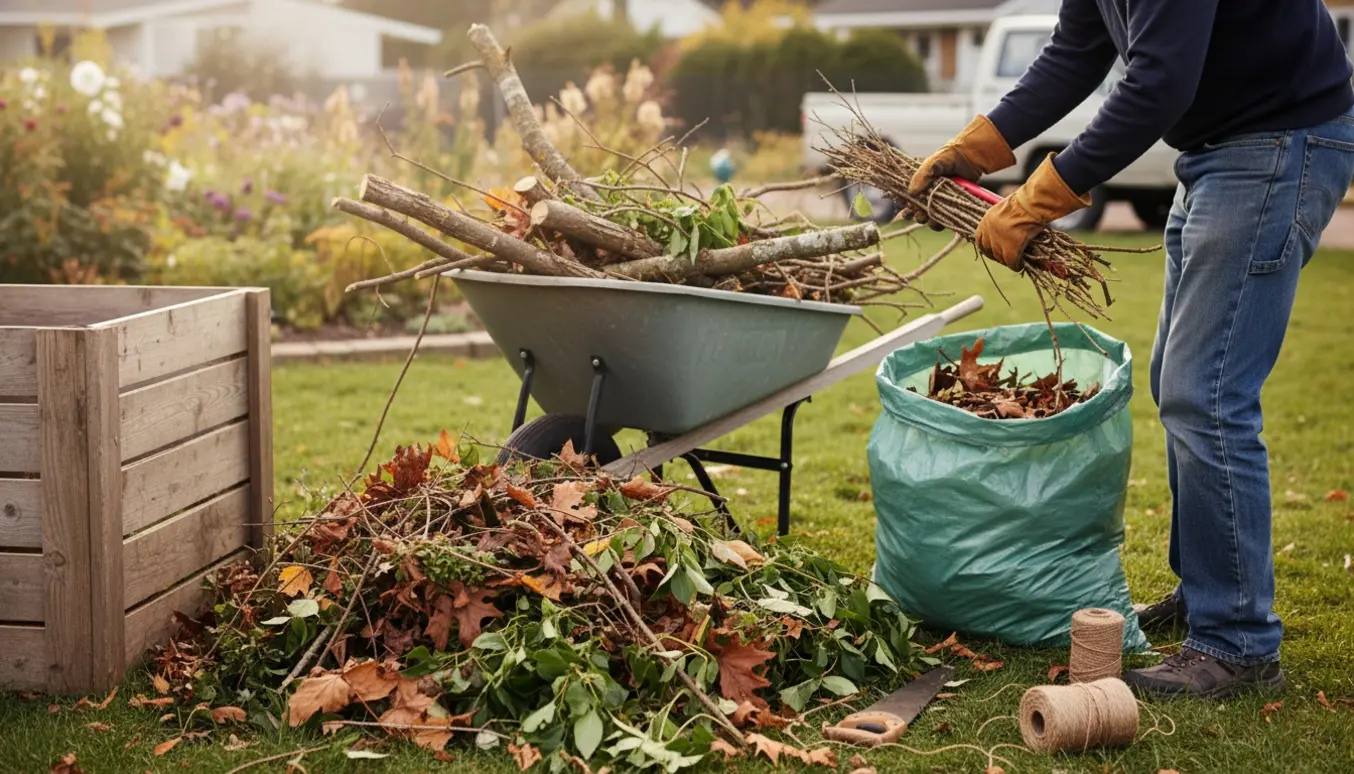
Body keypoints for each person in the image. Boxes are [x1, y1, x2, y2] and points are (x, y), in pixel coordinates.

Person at [906, 0, 1354, 700]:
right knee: (1176, 381)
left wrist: (1034, 200)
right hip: (1220, 149)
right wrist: (981, 144)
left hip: (1277, 139)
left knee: (1205, 393)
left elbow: (1158, 83)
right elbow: (1074, 53)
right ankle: (1207, 592)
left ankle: (1237, 642)